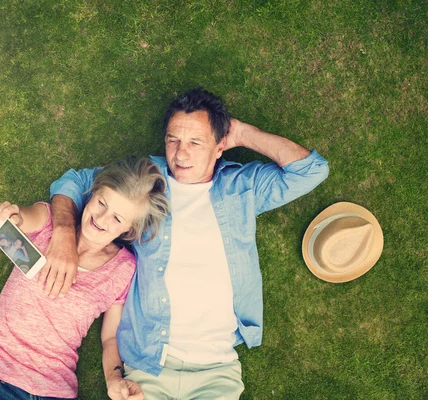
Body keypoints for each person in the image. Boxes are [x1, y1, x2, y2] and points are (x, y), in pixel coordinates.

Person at [46, 88, 330, 398]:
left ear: (220, 146)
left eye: (195, 142)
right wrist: (62, 232)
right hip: (149, 363)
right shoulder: (145, 179)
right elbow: (73, 181)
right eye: (173, 140)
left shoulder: (242, 187)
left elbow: (312, 171)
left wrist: (244, 134)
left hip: (216, 369)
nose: (181, 154)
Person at [0, 157, 169, 400]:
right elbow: (15, 220)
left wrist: (114, 378)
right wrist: (1, 219)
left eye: (117, 219)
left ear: (129, 230)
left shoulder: (123, 269)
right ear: (92, 194)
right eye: (101, 203)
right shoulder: (49, 223)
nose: (101, 218)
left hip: (55, 391)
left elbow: (110, 337)